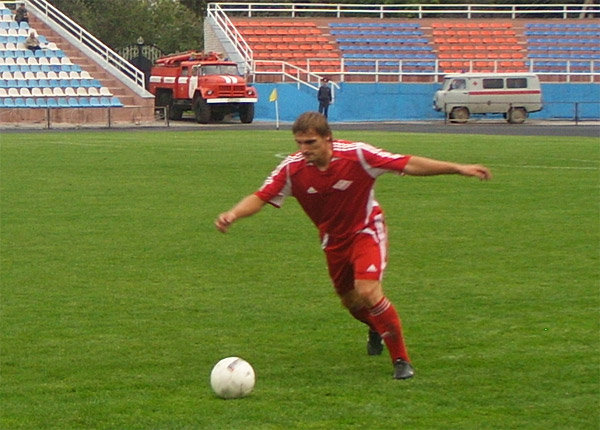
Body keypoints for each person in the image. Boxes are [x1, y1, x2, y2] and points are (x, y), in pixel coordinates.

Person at [215, 112, 492, 380]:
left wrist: (458, 168)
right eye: (299, 143)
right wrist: (233, 214)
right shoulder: (292, 168)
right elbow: (261, 196)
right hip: (333, 241)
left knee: (367, 290)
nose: (304, 149)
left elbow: (406, 163)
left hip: (366, 230)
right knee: (350, 301)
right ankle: (377, 328)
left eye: (310, 143)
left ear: (328, 139)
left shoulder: (357, 155)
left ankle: (401, 360)